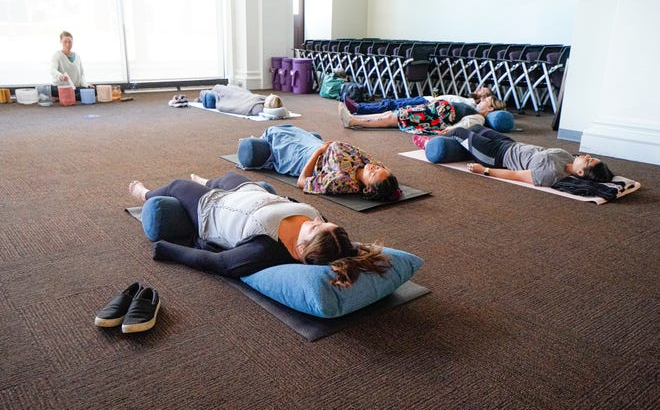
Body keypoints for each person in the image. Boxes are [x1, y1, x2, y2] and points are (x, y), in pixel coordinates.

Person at [128, 172, 391, 287]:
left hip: (213, 209)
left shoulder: (265, 249)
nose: (318, 221)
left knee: (178, 185)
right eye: (324, 223)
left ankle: (145, 194)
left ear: (301, 250)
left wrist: (165, 250)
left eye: (314, 228)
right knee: (233, 176)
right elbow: (341, 248)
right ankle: (209, 180)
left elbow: (218, 262)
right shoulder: (325, 234)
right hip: (249, 193)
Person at [238, 125, 402, 201]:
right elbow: (381, 168)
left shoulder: (342, 182)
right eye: (378, 168)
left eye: (373, 173)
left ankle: (257, 144)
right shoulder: (365, 164)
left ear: (367, 188)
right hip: (315, 144)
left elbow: (302, 182)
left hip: (301, 157)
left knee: (273, 136)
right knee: (306, 132)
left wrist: (318, 152)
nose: (374, 167)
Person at [433, 124, 615, 187]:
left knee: (459, 131)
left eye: (589, 160)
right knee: (474, 128)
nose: (587, 155)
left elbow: (517, 175)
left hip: (496, 156)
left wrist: (485, 170)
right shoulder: (568, 157)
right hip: (509, 143)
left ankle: (428, 139)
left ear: (581, 173)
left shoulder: (550, 174)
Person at [339, 93, 506, 135]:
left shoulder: (477, 116)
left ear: (490, 108)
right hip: (430, 111)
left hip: (431, 118)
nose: (482, 100)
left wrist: (450, 130)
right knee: (391, 113)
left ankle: (353, 121)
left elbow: (466, 124)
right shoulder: (471, 106)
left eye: (486, 100)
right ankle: (355, 118)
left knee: (391, 118)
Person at [344, 87, 495, 115]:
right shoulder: (469, 101)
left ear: (483, 98)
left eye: (483, 90)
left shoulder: (470, 105)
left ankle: (359, 108)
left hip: (427, 103)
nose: (479, 88)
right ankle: (360, 108)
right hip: (428, 99)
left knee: (391, 104)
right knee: (393, 103)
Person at [50, 31, 93, 100]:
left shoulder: (77, 57)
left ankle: (62, 98)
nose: (68, 44)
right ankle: (67, 97)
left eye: (70, 42)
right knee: (52, 90)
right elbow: (52, 70)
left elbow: (82, 74)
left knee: (93, 91)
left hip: (74, 88)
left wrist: (86, 85)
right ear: (61, 42)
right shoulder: (57, 55)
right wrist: (60, 76)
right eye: (65, 42)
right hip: (61, 88)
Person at [199, 85, 286, 117]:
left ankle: (205, 93)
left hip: (234, 98)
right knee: (231, 89)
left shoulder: (258, 107)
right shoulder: (262, 99)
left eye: (271, 96)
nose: (270, 94)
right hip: (243, 94)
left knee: (210, 97)